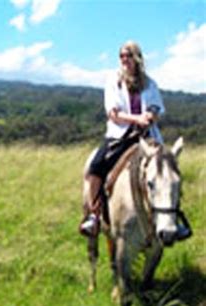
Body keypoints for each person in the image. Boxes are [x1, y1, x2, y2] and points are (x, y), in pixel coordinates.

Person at [79, 40, 190, 240]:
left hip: (148, 136)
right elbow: (113, 113)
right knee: (96, 166)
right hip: (119, 136)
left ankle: (175, 219)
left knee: (168, 173)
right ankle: (94, 216)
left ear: (137, 58)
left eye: (128, 55)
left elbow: (156, 107)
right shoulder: (113, 80)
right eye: (121, 56)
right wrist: (136, 119)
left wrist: (150, 117)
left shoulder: (150, 83)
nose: (124, 60)